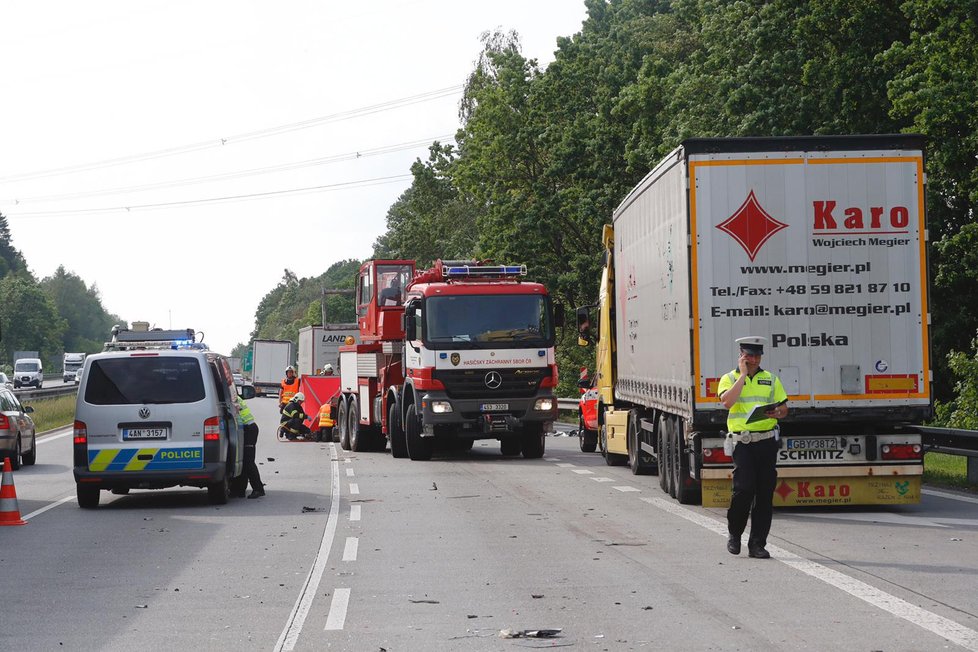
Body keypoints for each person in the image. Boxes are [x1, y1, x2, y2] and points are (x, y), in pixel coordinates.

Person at [717, 336, 788, 559]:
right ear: (741, 355)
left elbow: (784, 408)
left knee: (765, 493)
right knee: (744, 490)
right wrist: (743, 376)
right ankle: (734, 534)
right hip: (742, 442)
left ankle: (757, 544)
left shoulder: (771, 379)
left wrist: (778, 413)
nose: (754, 359)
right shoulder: (729, 378)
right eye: (749, 355)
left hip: (766, 441)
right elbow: (727, 402)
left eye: (757, 356)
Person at [236, 394, 265, 498]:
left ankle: (258, 489)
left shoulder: (233, 398)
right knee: (243, 461)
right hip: (245, 429)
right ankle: (239, 491)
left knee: (248, 462)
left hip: (249, 430)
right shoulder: (233, 396)